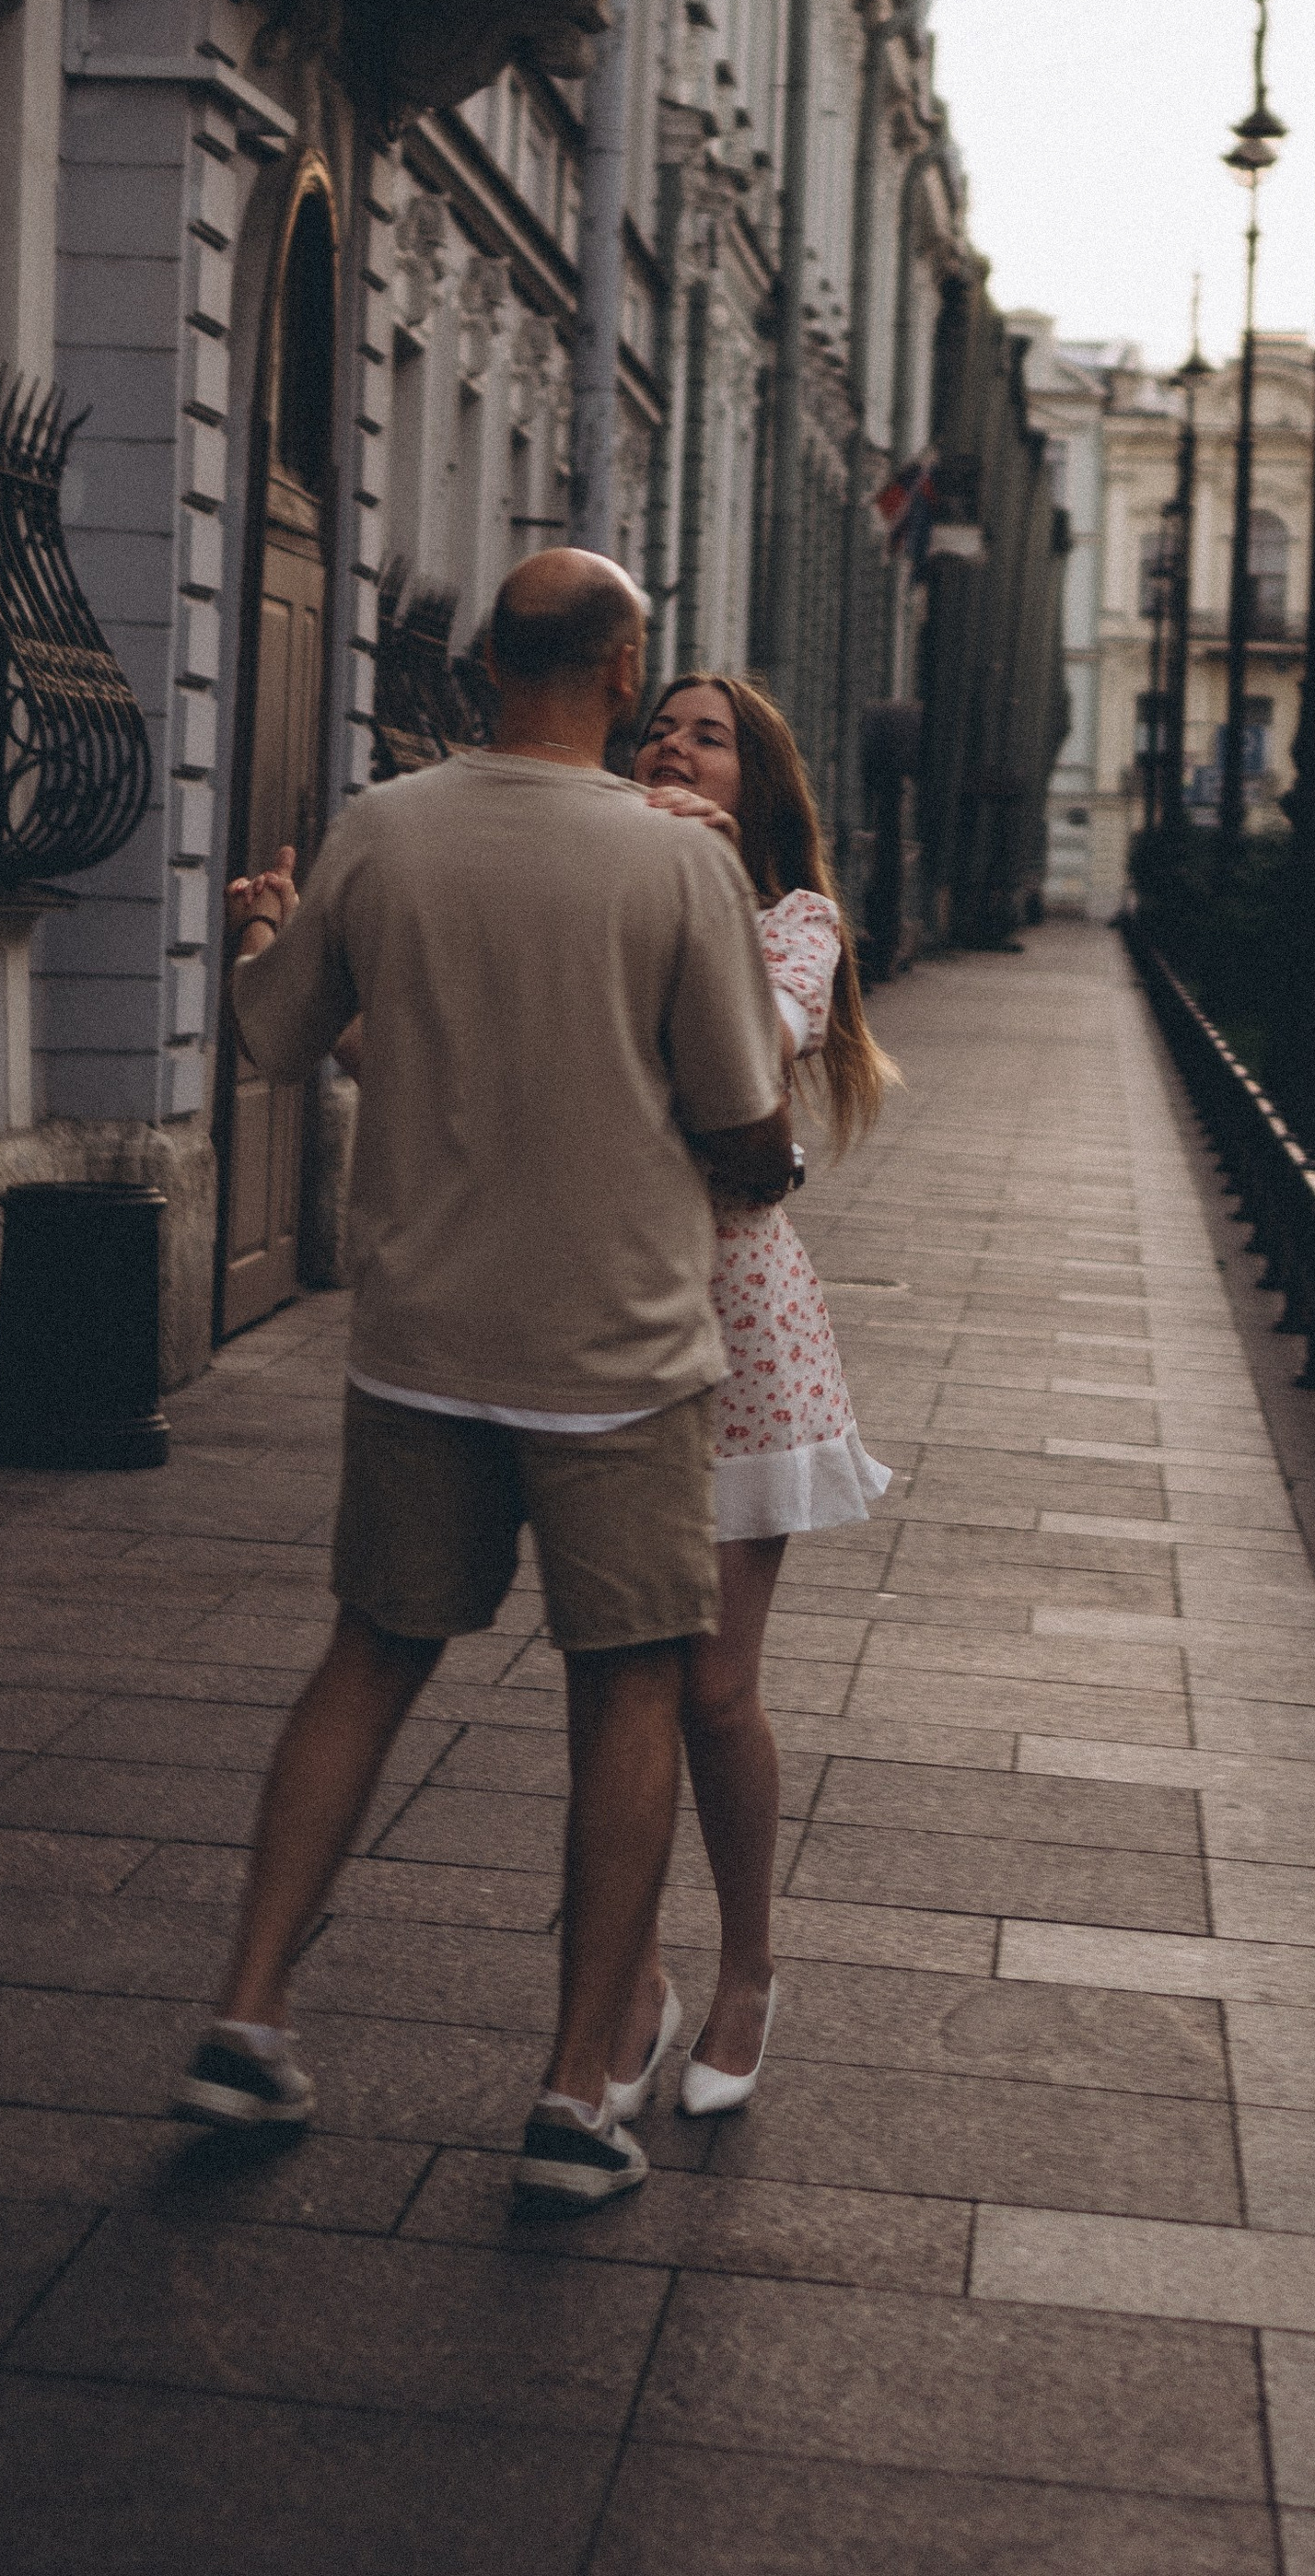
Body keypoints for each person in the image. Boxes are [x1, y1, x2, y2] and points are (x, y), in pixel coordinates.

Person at [173, 551, 794, 2211]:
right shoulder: (677, 861)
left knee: (370, 1655)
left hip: (423, 1343)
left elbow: (277, 1037)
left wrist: (263, 935)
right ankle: (574, 2097)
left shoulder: (384, 828)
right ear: (623, 670)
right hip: (619, 1354)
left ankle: (248, 2014)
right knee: (632, 1690)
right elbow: (744, 1118)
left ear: (489, 665)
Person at [612, 674, 898, 2117]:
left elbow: (757, 1045)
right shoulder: (605, 889)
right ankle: (631, 1978)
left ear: (755, 785)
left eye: (707, 735)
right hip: (608, 1321)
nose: (673, 745)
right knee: (622, 1688)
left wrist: (707, 884)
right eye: (659, 727)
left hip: (741, 1338)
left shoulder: (795, 921)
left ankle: (749, 1969)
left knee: (716, 1690)